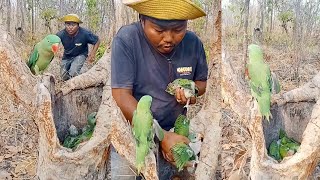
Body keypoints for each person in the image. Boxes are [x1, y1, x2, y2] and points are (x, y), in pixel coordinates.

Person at [111, 0, 208, 179]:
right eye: (159, 30)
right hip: (135, 131)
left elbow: (201, 82)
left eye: (178, 30)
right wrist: (161, 136)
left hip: (175, 129)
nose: (169, 38)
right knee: (129, 173)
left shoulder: (193, 44)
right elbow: (121, 95)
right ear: (142, 20)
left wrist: (192, 91)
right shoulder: (127, 39)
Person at [56, 14, 100, 81]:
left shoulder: (85, 33)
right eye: (68, 25)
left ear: (78, 25)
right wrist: (57, 51)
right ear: (65, 25)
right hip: (67, 55)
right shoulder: (61, 34)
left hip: (80, 55)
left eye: (73, 25)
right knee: (63, 76)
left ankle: (80, 73)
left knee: (73, 72)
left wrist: (93, 54)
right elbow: (53, 42)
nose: (70, 27)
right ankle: (79, 73)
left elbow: (97, 41)